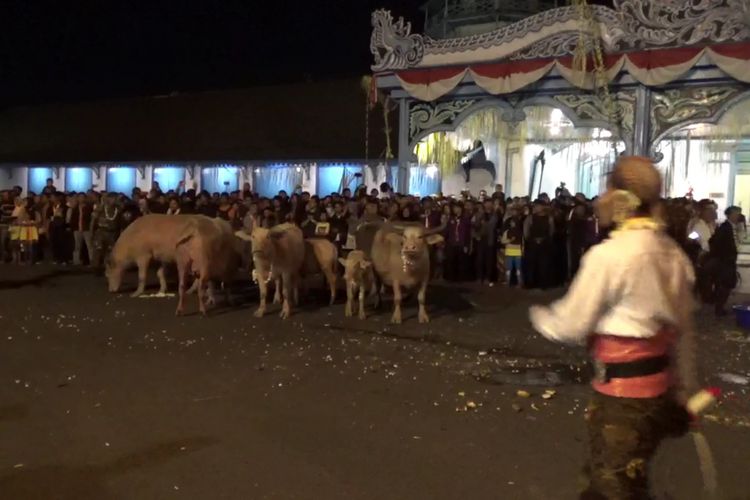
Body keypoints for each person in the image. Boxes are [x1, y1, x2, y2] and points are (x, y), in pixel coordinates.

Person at [529, 157, 695, 499]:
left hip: (622, 398)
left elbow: (572, 323)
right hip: (659, 390)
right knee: (627, 477)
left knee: (612, 487)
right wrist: (684, 390)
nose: (599, 200)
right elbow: (683, 330)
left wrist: (542, 318)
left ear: (620, 199)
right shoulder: (673, 253)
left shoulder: (610, 256)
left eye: (605, 190)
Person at [707, 205, 741, 316]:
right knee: (725, 285)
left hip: (728, 260)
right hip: (725, 261)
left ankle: (720, 307)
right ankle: (719, 308)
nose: (737, 216)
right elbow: (714, 242)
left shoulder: (731, 227)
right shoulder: (725, 227)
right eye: (735, 214)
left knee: (726, 284)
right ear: (730, 215)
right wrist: (722, 255)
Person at [91, 193, 121, 271]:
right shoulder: (101, 208)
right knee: (98, 249)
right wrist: (91, 231)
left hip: (112, 233)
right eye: (111, 198)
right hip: (101, 231)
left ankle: (107, 267)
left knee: (110, 250)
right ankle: (96, 267)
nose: (113, 200)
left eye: (115, 199)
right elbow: (93, 220)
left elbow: (120, 222)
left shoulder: (118, 209)